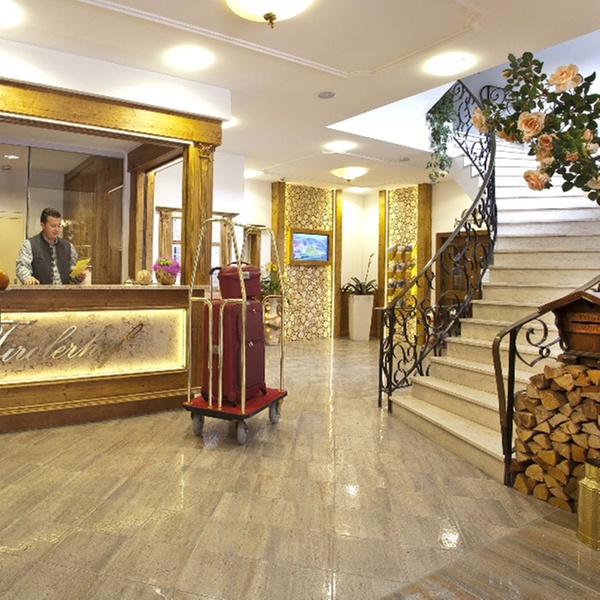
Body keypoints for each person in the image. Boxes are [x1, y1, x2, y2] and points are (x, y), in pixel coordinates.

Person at [16, 207, 85, 285]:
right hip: (38, 291)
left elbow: (72, 273)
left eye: (59, 225)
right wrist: (27, 277)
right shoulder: (29, 244)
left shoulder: (68, 246)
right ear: (43, 225)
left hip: (63, 292)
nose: (57, 229)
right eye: (53, 226)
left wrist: (78, 277)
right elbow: (22, 266)